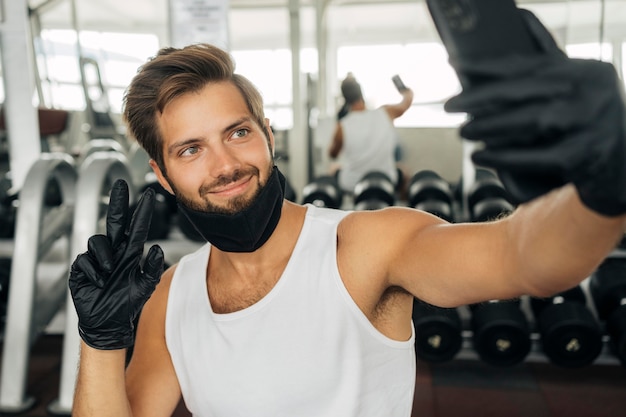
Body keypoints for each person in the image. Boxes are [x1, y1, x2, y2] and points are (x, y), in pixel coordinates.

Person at [68, 10, 626, 417]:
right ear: (162, 174)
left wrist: (605, 184)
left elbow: (525, 259)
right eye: (191, 149)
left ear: (268, 135)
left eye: (238, 132)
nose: (226, 163)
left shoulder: (364, 248)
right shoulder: (169, 296)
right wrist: (99, 342)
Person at [328, 72, 414, 197]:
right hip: (386, 180)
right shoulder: (386, 112)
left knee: (333, 168)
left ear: (345, 98)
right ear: (361, 94)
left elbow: (332, 154)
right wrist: (407, 92)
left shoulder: (341, 126)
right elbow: (407, 102)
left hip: (353, 183)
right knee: (404, 171)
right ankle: (400, 211)